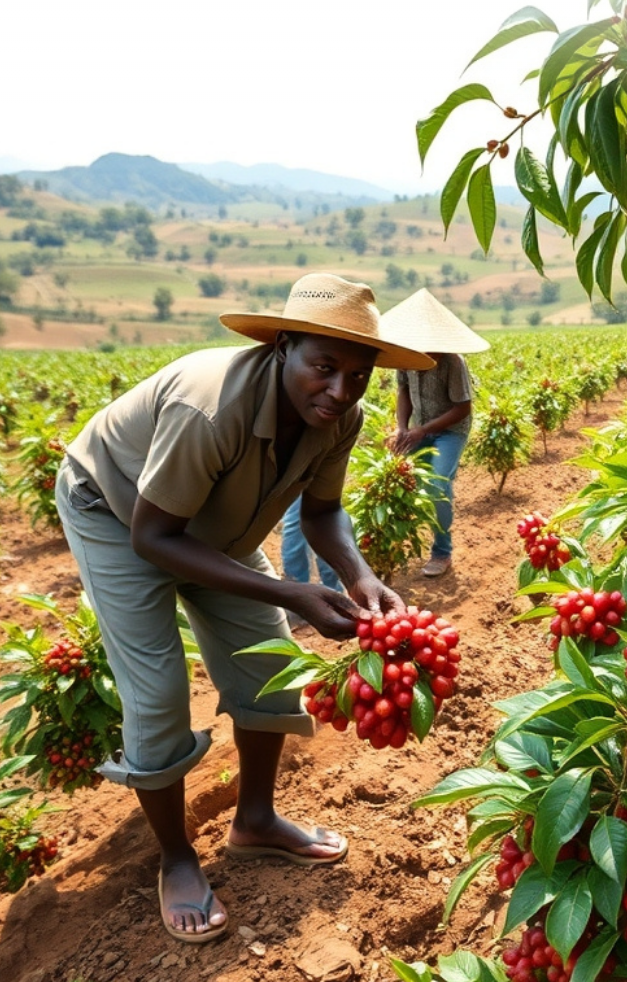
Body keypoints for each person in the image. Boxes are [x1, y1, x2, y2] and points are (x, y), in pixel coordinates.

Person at [55, 274, 433, 943]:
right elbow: (153, 537)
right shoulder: (211, 409)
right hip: (116, 513)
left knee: (271, 672)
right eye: (323, 368)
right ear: (283, 346)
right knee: (159, 691)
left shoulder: (340, 419)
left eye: (358, 375)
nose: (340, 391)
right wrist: (291, 593)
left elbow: (323, 512)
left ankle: (255, 822)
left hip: (203, 528)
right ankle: (175, 858)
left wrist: (360, 576)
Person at [378, 288, 488, 578]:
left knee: (437, 485)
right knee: (391, 474)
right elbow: (403, 391)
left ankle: (442, 552)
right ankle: (389, 544)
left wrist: (421, 431)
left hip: (450, 431)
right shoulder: (406, 357)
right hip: (418, 428)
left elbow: (462, 408)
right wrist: (402, 428)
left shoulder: (452, 362)